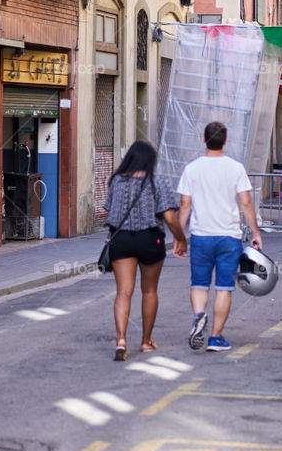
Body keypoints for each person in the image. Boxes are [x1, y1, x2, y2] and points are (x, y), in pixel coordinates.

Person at [177, 121, 262, 352]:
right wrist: (255, 232)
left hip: (201, 237)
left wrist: (178, 237)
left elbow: (185, 205)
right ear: (225, 141)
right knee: (224, 287)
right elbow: (245, 202)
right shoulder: (235, 168)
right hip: (228, 238)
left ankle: (198, 316)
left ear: (204, 140)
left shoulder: (192, 169)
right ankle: (215, 338)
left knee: (199, 284)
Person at [103, 140, 187, 360]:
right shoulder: (158, 182)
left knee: (123, 292)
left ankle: (121, 340)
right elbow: (169, 217)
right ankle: (146, 341)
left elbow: (110, 212)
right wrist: (181, 239)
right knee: (149, 291)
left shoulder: (116, 182)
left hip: (121, 240)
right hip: (150, 239)